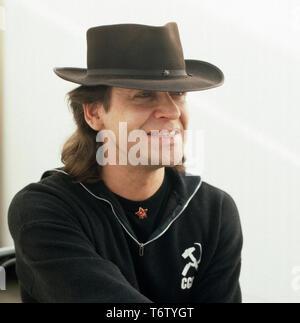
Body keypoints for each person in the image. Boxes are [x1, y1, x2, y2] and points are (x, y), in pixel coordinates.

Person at [8, 22, 243, 303]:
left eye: (179, 93)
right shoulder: (43, 210)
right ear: (94, 113)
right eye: (143, 95)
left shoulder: (214, 212)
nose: (172, 111)